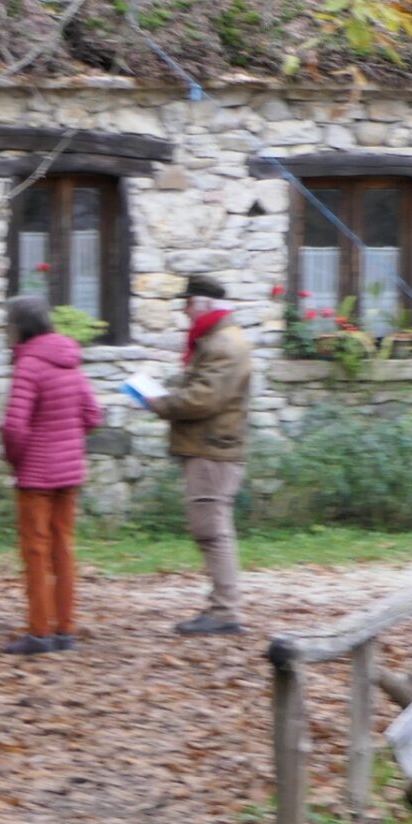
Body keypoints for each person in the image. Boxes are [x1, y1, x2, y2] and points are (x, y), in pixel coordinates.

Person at [143, 273, 254, 636]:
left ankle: (224, 611)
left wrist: (162, 404)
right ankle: (223, 607)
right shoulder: (219, 340)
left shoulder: (223, 343)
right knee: (212, 529)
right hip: (211, 446)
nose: (185, 311)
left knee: (211, 531)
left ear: (205, 305)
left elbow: (205, 398)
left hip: (212, 449)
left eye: (188, 303)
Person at [0, 295, 104, 655]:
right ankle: (65, 629)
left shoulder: (28, 364)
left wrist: (16, 460)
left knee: (36, 552)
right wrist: (66, 441)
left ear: (19, 327)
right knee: (63, 550)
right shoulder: (70, 360)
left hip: (37, 476)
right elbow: (92, 415)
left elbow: (14, 427)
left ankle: (40, 632)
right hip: (69, 473)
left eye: (7, 324)